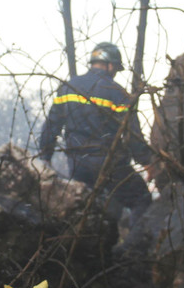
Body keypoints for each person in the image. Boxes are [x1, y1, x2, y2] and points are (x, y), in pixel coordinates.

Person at [37, 42, 155, 222]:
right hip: (110, 164)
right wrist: (147, 162)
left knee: (91, 212)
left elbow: (52, 124)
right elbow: (133, 135)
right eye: (115, 68)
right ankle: (133, 248)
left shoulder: (69, 87)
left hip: (77, 165)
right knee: (142, 200)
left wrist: (45, 156)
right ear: (110, 65)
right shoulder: (117, 93)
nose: (115, 72)